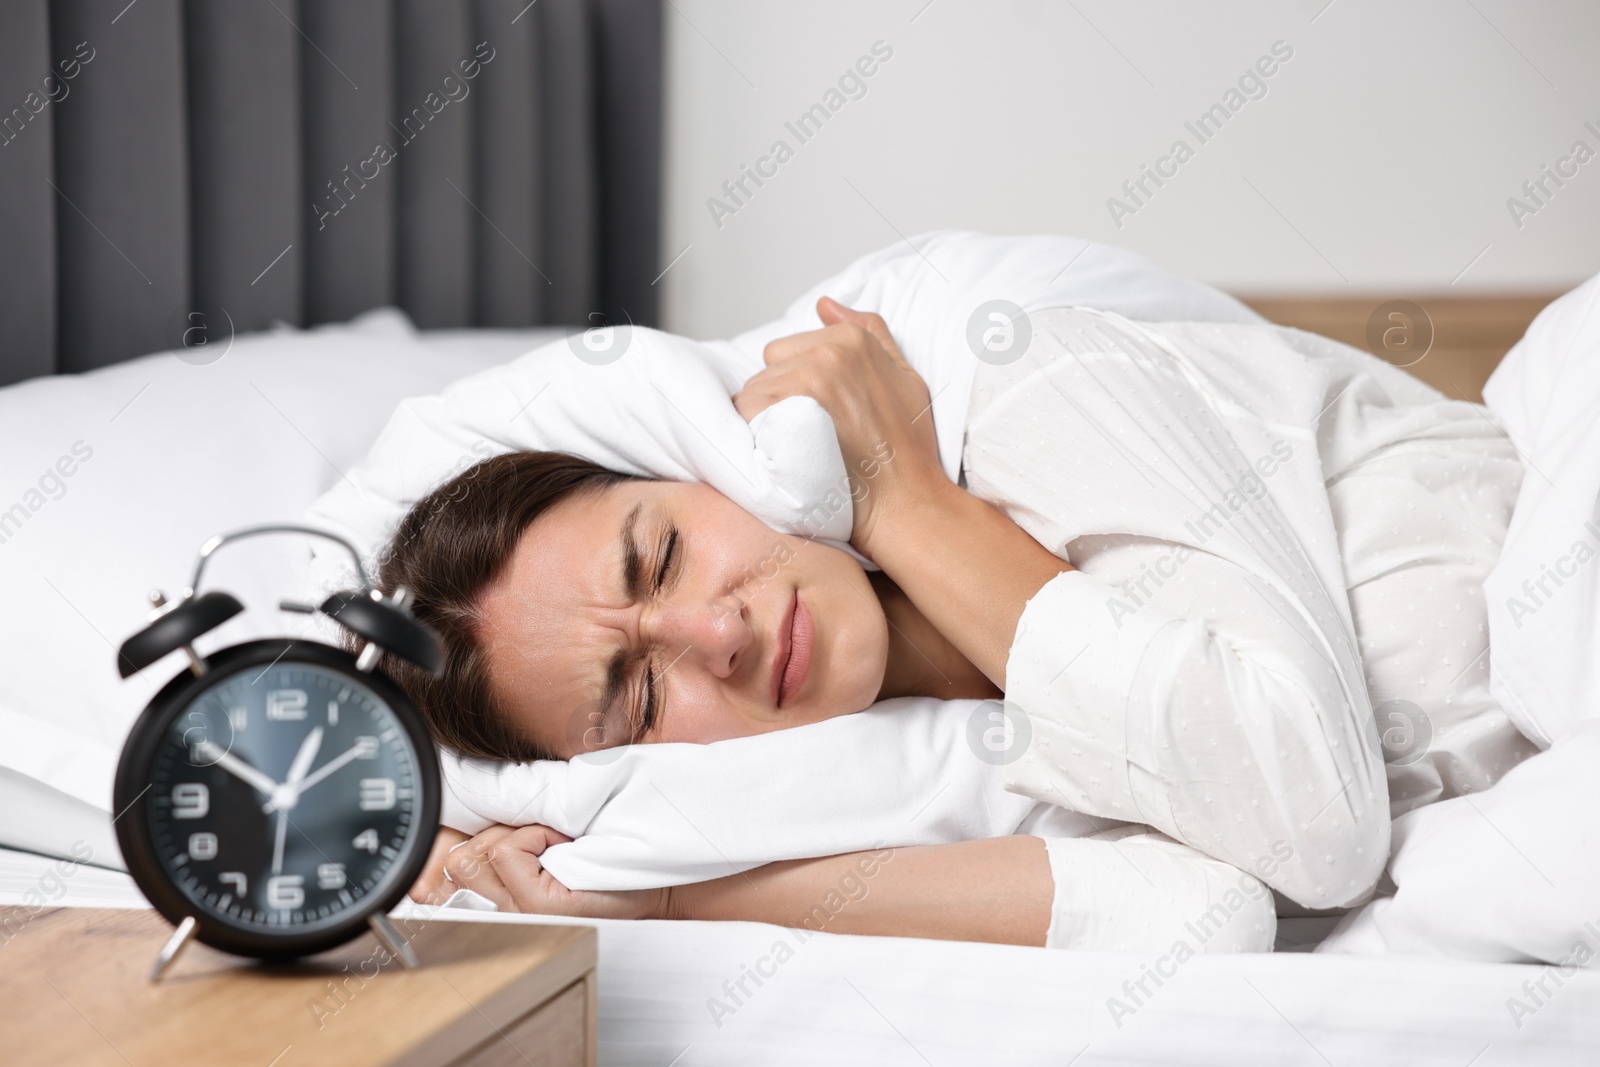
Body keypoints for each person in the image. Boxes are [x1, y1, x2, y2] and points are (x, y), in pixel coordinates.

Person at [390, 296, 1537, 948]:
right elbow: (1206, 912)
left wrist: (899, 492)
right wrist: (668, 900)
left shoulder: (1027, 389)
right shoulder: (875, 777)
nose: (714, 635)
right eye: (640, 694)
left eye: (665, 554)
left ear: (706, 468)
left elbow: (1314, 821)